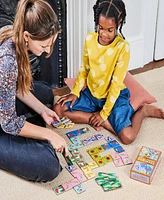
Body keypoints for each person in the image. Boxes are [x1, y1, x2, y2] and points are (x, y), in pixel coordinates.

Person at [54, 0, 164, 145]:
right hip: (92, 94)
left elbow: (115, 84)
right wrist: (75, 92)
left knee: (127, 137)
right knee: (58, 109)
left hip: (114, 96)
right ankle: (94, 119)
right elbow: (85, 69)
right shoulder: (90, 39)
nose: (103, 34)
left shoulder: (122, 48)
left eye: (110, 30)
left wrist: (104, 113)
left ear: (119, 23)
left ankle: (143, 111)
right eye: (100, 28)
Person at [0, 0, 68, 182]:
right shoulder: (6, 60)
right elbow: (8, 123)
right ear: (27, 35)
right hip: (3, 121)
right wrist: (50, 134)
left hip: (3, 99)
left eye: (51, 44)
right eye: (44, 46)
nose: (48, 51)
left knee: (46, 93)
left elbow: (14, 87)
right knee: (49, 166)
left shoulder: (15, 33)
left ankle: (33, 125)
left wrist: (42, 110)